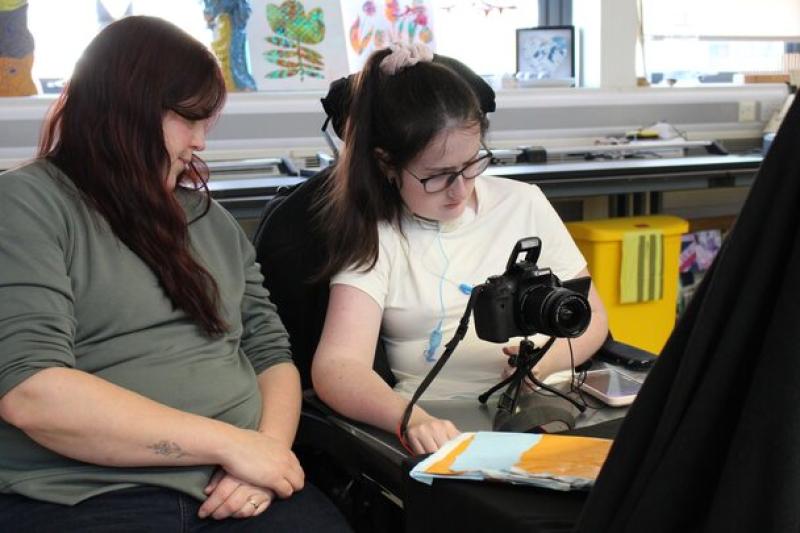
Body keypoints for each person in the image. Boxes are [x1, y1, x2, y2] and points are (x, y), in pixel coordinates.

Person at [0, 16, 349, 532]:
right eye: (189, 119)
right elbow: (33, 392)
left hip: (242, 489)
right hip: (86, 497)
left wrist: (266, 457)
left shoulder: (211, 222)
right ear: (125, 111)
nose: (201, 143)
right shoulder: (27, 205)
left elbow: (271, 355)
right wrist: (233, 444)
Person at [311, 43, 610, 456]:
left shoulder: (523, 203)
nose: (460, 190)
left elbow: (592, 317)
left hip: (552, 404)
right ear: (386, 165)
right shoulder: (376, 235)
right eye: (437, 176)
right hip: (446, 422)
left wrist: (542, 363)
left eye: (471, 165)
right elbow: (337, 368)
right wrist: (411, 419)